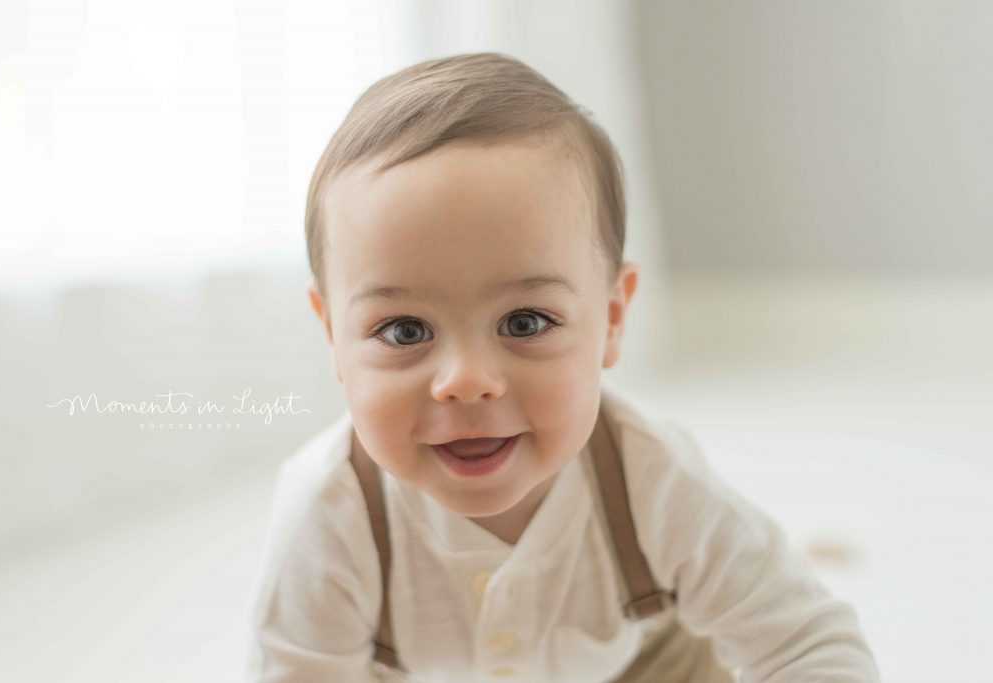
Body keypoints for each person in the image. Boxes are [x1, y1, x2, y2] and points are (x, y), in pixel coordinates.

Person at [242, 52, 881, 682]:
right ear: (332, 337)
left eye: (525, 322)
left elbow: (811, 646)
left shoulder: (653, 478)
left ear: (612, 318)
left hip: (647, 665)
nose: (466, 380)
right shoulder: (328, 515)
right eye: (405, 330)